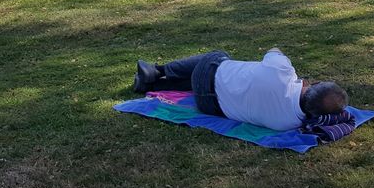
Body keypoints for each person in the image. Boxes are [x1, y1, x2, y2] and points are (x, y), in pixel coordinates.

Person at [132, 48, 349, 130]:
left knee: (219, 55)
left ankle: (158, 69)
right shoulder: (287, 123)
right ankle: (154, 84)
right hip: (208, 105)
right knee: (205, 80)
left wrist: (296, 78)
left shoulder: (282, 72)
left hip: (208, 73)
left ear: (316, 85)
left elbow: (274, 50)